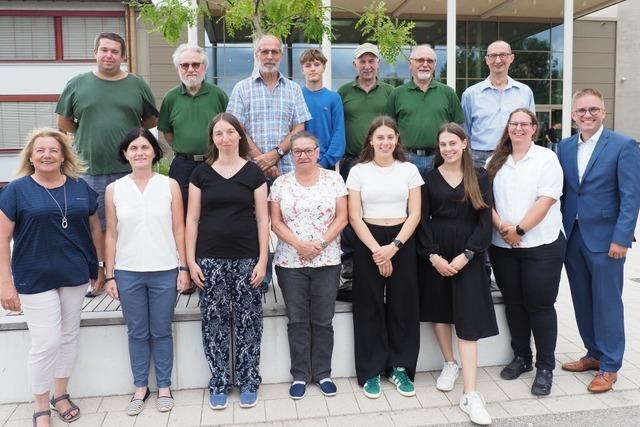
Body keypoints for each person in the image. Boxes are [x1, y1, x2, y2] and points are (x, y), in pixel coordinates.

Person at [0, 128, 103, 427]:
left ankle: (61, 395)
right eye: (40, 150)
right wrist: (5, 283)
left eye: (53, 150)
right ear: (31, 157)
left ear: (63, 156)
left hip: (75, 274)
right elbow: (2, 238)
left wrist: (99, 266)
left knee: (69, 336)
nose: (47, 155)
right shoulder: (16, 190)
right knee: (46, 342)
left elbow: (95, 229)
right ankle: (41, 405)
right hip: (34, 277)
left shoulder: (80, 187)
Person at [56, 32, 158, 297]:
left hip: (129, 170)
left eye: (114, 51)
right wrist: (88, 133)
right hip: (90, 170)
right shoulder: (78, 84)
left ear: (123, 56)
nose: (109, 55)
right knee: (96, 225)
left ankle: (126, 271)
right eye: (104, 50)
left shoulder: (137, 85)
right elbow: (64, 122)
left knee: (130, 223)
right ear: (95, 53)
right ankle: (101, 271)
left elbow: (150, 121)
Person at [557, 89, 640, 393]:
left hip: (607, 240)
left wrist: (622, 238)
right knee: (582, 299)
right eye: (581, 110)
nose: (587, 115)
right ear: (573, 115)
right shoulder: (564, 147)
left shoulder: (623, 145)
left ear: (603, 112)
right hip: (573, 236)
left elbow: (631, 197)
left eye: (593, 109)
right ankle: (593, 354)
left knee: (607, 302)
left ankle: (610, 365)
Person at [103, 128, 190, 415]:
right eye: (133, 148)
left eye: (144, 147)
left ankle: (164, 386)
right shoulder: (114, 189)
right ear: (125, 154)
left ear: (154, 151)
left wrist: (183, 267)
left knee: (162, 331)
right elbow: (111, 233)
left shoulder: (170, 185)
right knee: (137, 332)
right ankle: (141, 387)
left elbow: (179, 228)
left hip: (165, 269)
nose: (139, 152)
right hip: (128, 271)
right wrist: (110, 274)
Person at [185, 112, 269, 410]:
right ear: (213, 138)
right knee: (214, 323)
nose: (225, 138)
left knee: (249, 321)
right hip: (210, 260)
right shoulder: (201, 174)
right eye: (219, 133)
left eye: (230, 132)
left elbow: (263, 219)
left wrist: (263, 260)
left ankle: (249, 380)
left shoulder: (254, 173)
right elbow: (192, 219)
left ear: (239, 136)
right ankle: (219, 382)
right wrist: (191, 262)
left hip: (247, 258)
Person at [417, 123, 497, 425]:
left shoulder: (479, 176)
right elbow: (421, 220)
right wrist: (433, 255)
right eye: (443, 144)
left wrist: (468, 255)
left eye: (453, 143)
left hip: (468, 253)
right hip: (437, 252)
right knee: (439, 310)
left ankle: (470, 393)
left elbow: (485, 221)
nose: (448, 149)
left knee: (468, 319)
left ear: (464, 144)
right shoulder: (428, 178)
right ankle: (449, 363)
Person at [486, 108, 566, 396]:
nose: (518, 128)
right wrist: (502, 227)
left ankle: (545, 367)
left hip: (542, 244)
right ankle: (522, 357)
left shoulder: (546, 158)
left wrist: (519, 230)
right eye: (514, 124)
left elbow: (545, 200)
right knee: (514, 303)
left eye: (524, 124)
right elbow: (486, 201)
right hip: (503, 246)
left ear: (534, 128)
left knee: (540, 305)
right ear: (507, 127)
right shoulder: (495, 161)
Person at [346, 116, 423, 399]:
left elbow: (415, 213)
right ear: (370, 140)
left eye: (390, 137)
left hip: (402, 238)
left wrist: (394, 246)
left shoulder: (409, 170)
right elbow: (354, 216)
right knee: (369, 305)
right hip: (368, 238)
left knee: (403, 304)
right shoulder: (358, 171)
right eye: (380, 137)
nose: (385, 142)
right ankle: (371, 370)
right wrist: (378, 251)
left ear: (397, 139)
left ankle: (400, 367)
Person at [227, 34, 311, 291]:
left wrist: (276, 153)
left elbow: (299, 127)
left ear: (281, 55)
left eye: (274, 52)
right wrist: (262, 159)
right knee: (255, 222)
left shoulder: (293, 89)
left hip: (286, 168)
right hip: (250, 169)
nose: (270, 56)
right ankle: (260, 275)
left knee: (288, 220)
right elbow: (237, 127)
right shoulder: (242, 88)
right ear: (256, 55)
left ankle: (292, 274)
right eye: (264, 51)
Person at [270, 131, 348, 399]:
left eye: (308, 150)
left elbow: (342, 217)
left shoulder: (334, 179)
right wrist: (299, 245)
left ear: (317, 152)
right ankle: (300, 375)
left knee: (323, 320)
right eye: (297, 151)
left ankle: (323, 373)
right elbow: (275, 222)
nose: (303, 155)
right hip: (290, 262)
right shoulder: (281, 183)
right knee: (298, 320)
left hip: (327, 260)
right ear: (292, 155)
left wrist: (320, 244)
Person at [385, 44, 464, 174]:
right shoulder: (397, 94)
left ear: (435, 65)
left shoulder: (448, 93)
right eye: (420, 60)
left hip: (440, 158)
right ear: (410, 64)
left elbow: (459, 128)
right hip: (405, 158)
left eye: (430, 61)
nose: (425, 64)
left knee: (437, 189)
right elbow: (388, 129)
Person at [461, 40, 535, 168]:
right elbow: (464, 131)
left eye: (503, 55)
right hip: (479, 159)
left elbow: (531, 128)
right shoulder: (470, 94)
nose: (498, 60)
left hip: (515, 155)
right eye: (493, 55)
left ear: (511, 58)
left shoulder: (525, 92)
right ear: (486, 60)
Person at [337, 43, 394, 180]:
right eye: (362, 61)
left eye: (371, 61)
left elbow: (395, 125)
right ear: (354, 64)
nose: (367, 66)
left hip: (381, 159)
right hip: (351, 160)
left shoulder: (390, 92)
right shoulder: (343, 92)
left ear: (378, 63)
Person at [299, 49, 345, 170]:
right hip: (300, 161)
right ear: (302, 69)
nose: (313, 69)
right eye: (308, 65)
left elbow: (338, 133)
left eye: (317, 64)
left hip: (326, 164)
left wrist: (324, 162)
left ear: (324, 67)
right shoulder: (297, 96)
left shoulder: (333, 98)